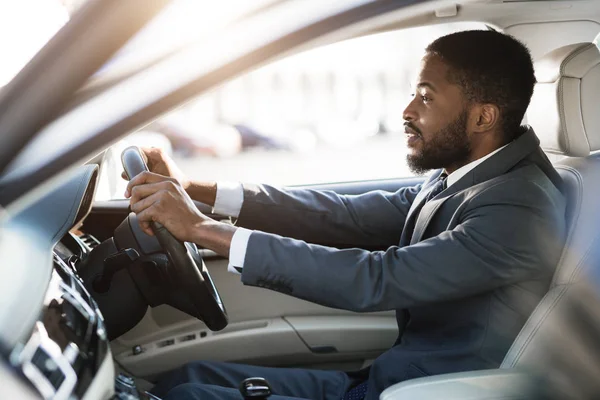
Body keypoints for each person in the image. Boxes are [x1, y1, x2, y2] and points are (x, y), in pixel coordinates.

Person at [124, 30, 566, 400]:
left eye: (426, 98)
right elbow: (344, 215)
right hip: (384, 380)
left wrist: (202, 229)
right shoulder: (468, 174)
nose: (407, 111)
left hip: (423, 391)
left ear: (483, 117)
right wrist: (195, 190)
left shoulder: (519, 206)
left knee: (187, 397)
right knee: (189, 377)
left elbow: (376, 279)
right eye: (414, 93)